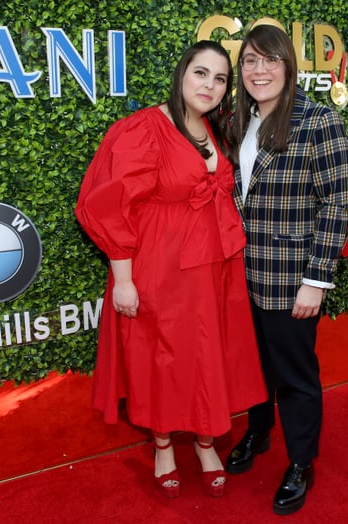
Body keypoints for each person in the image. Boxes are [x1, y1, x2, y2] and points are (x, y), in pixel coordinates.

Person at [75, 40, 267, 500]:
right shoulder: (142, 129)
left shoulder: (214, 130)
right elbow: (107, 205)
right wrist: (123, 280)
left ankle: (205, 444)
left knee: (207, 356)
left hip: (214, 270)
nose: (210, 85)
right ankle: (163, 446)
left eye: (220, 78)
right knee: (160, 359)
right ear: (182, 73)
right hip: (160, 269)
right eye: (201, 73)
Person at [225, 25, 348, 515]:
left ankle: (301, 461)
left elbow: (336, 204)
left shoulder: (319, 120)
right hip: (242, 275)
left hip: (291, 279)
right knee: (254, 366)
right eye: (251, 63)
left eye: (270, 60)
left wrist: (316, 281)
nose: (260, 71)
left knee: (296, 376)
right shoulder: (241, 120)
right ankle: (258, 432)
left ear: (289, 66)